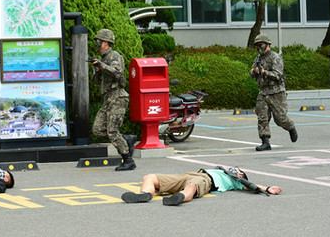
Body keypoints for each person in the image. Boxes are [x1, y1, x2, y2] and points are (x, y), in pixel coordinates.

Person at [90, 29, 137, 171]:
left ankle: (128, 160)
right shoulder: (102, 58)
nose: (96, 43)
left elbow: (117, 73)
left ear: (105, 42)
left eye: (98, 41)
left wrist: (101, 66)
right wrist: (97, 70)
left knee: (112, 131)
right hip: (108, 99)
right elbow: (98, 82)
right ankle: (126, 139)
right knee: (97, 130)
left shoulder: (115, 56)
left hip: (117, 98)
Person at [121, 166, 282, 206]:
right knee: (150, 177)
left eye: (239, 171)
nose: (235, 169)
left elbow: (251, 186)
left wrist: (267, 188)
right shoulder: (221, 169)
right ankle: (145, 194)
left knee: (191, 186)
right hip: (190, 174)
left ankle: (180, 198)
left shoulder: (236, 181)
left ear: (241, 175)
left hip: (206, 180)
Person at [250, 34, 297, 151]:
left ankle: (290, 127)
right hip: (263, 91)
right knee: (262, 117)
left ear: (267, 45)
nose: (258, 48)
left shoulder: (275, 57)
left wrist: (265, 72)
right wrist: (255, 71)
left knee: (280, 118)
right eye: (257, 46)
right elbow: (251, 71)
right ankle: (265, 141)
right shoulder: (258, 58)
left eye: (260, 45)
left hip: (276, 92)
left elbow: (278, 75)